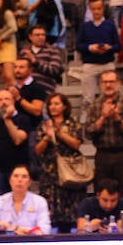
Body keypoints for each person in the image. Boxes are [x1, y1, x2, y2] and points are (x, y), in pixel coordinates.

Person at [34, 92, 86, 233]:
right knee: (51, 214)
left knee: (71, 214)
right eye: (50, 104)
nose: (53, 107)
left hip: (70, 173)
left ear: (64, 106)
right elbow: (37, 150)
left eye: (56, 103)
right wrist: (47, 137)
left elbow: (76, 144)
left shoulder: (73, 123)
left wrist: (58, 133)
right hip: (50, 174)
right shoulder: (44, 125)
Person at [86, 70, 123, 197]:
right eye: (105, 82)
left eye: (111, 81)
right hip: (102, 154)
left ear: (118, 83)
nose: (108, 85)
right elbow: (88, 133)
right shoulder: (95, 104)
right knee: (102, 191)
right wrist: (103, 117)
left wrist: (117, 118)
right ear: (100, 84)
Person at [76, 0, 119, 115]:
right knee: (87, 98)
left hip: (107, 64)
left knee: (111, 96)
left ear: (103, 8)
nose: (96, 11)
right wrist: (90, 48)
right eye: (93, 9)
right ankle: (86, 120)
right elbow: (78, 45)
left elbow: (117, 46)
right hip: (90, 64)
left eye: (99, 8)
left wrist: (109, 47)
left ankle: (111, 117)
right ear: (90, 9)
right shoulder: (85, 26)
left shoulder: (110, 25)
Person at [0, 163, 51, 235]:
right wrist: (15, 229)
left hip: (31, 241)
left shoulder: (39, 202)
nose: (19, 180)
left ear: (29, 182)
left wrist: (11, 228)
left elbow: (45, 230)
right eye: (16, 176)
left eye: (24, 177)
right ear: (10, 181)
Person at [19, 24, 63, 100]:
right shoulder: (24, 52)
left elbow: (54, 71)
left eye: (43, 35)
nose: (41, 37)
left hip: (46, 91)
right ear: (30, 37)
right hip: (26, 92)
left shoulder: (52, 51)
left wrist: (35, 62)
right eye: (37, 35)